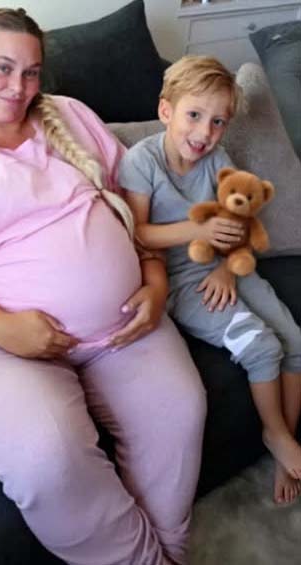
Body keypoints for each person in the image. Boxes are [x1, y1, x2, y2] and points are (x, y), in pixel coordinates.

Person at [0, 9, 206, 564]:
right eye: (3, 68)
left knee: (181, 409)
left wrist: (155, 282)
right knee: (46, 455)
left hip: (120, 325)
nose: (19, 86)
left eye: (31, 72)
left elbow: (133, 207)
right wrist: (6, 330)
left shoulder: (71, 116)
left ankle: (168, 553)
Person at [118, 55, 301, 506]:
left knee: (296, 341)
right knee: (263, 347)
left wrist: (225, 268)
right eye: (195, 116)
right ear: (166, 111)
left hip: (225, 267)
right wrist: (197, 231)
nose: (205, 133)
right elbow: (137, 233)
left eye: (218, 122)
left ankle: (285, 443)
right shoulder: (142, 162)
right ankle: (275, 433)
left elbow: (236, 224)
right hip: (180, 281)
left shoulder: (218, 158)